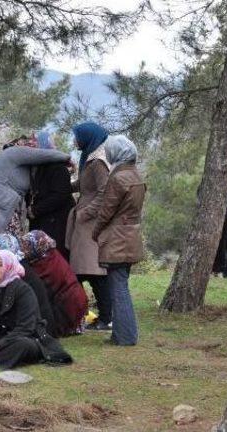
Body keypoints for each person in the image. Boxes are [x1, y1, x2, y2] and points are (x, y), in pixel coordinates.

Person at [0, 141, 70, 280]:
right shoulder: (13, 152)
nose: (29, 145)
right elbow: (46, 154)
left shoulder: (25, 167)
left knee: (8, 265)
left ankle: (7, 299)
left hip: (5, 214)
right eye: (26, 142)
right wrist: (67, 158)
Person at [92, 135, 146, 346]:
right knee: (121, 286)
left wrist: (95, 232)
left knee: (118, 288)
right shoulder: (136, 176)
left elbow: (106, 211)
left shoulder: (118, 178)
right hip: (131, 235)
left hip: (117, 238)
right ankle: (123, 334)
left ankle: (125, 337)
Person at [65, 121, 111, 331]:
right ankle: (85, 314)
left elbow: (104, 192)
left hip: (90, 222)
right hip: (84, 220)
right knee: (83, 269)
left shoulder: (98, 162)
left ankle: (106, 317)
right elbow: (83, 185)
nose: (74, 141)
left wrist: (86, 213)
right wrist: (63, 185)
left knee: (93, 271)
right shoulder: (88, 159)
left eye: (77, 137)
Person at [0, 233, 56, 336]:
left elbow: (11, 302)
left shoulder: (20, 272)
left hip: (35, 329)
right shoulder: (11, 269)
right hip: (17, 327)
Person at [20, 231, 88, 337]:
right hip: (72, 302)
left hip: (69, 305)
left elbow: (44, 292)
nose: (24, 250)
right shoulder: (45, 257)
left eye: (27, 245)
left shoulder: (47, 262)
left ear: (37, 245)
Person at [26, 131, 75, 259]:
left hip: (55, 223)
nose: (30, 142)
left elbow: (61, 195)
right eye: (29, 139)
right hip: (41, 220)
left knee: (54, 259)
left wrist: (35, 210)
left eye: (34, 140)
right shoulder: (34, 166)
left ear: (44, 143)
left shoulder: (57, 167)